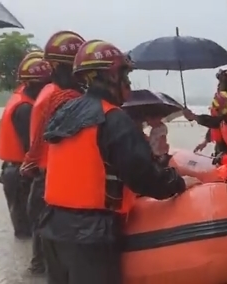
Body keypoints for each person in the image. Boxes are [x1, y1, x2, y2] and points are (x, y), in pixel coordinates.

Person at [38, 40, 189, 284]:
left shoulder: (65, 112)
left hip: (53, 228)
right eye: (125, 75)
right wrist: (178, 183)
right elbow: (144, 177)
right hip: (90, 236)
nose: (128, 84)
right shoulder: (113, 118)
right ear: (111, 76)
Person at [20, 31, 86, 275]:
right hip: (52, 179)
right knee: (55, 249)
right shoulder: (64, 99)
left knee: (47, 241)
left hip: (46, 178)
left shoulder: (49, 93)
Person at [0, 53, 51, 240]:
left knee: (24, 227)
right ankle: (34, 267)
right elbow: (32, 147)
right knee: (30, 229)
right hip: (21, 174)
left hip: (13, 170)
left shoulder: (20, 96)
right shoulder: (26, 109)